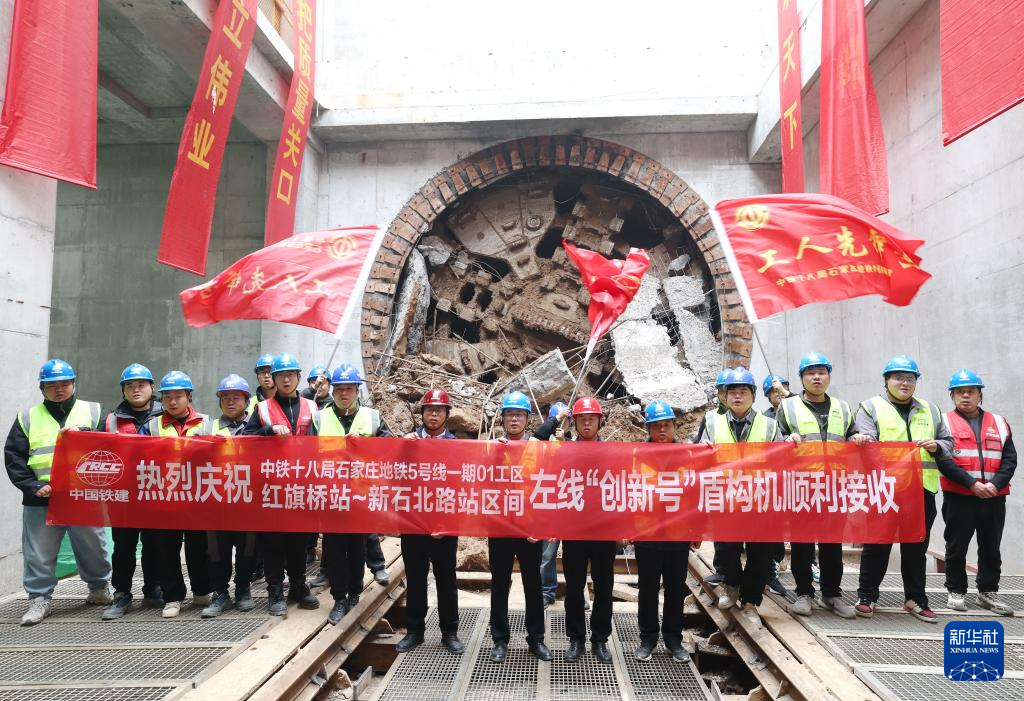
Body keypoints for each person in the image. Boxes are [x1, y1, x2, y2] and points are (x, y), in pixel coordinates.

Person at [4, 359, 112, 626]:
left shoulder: (94, 411)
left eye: (65, 383)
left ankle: (99, 587)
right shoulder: (27, 417)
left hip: (83, 497)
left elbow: (111, 446)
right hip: (41, 498)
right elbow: (14, 457)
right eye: (52, 385)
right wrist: (32, 486)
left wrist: (84, 433)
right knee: (38, 552)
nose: (59, 389)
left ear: (74, 384)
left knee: (93, 545)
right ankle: (39, 598)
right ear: (42, 388)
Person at [852, 355, 954, 623]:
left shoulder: (931, 409)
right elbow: (866, 445)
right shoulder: (870, 408)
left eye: (910, 378)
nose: (905, 383)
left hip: (921, 491)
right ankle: (867, 596)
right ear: (887, 381)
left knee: (916, 547)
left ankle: (916, 599)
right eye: (898, 377)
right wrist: (864, 442)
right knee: (877, 544)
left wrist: (937, 446)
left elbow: (948, 443)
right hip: (885, 489)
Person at [774, 353, 857, 619]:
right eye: (810, 373)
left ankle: (832, 594)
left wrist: (859, 437)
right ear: (802, 378)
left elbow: (852, 433)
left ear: (829, 377)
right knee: (802, 543)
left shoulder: (843, 408)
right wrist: (787, 439)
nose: (817, 377)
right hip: (803, 485)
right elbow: (775, 439)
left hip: (834, 486)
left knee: (832, 543)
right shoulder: (787, 407)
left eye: (821, 372)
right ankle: (804, 593)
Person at [701, 367, 783, 624]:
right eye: (733, 392)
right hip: (726, 499)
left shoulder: (769, 425)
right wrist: (702, 449)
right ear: (725, 396)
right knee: (726, 548)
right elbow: (698, 456)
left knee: (761, 553)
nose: (738, 396)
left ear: (753, 395)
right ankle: (732, 585)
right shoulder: (712, 422)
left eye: (743, 391)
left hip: (760, 499)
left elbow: (782, 459)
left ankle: (750, 602)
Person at [242, 353, 321, 616]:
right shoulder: (262, 409)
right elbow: (247, 440)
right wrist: (269, 431)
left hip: (301, 486)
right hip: (272, 488)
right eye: (280, 376)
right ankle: (275, 590)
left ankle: (298, 585)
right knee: (273, 542)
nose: (286, 380)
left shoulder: (312, 407)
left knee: (299, 541)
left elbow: (324, 443)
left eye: (290, 375)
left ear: (298, 377)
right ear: (273, 380)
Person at [316, 364, 389, 626]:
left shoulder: (372, 417)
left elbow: (388, 449)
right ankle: (339, 598)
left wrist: (366, 444)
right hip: (332, 495)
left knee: (358, 548)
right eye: (339, 389)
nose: (344, 393)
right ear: (333, 391)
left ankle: (354, 594)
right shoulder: (319, 418)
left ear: (357, 390)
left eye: (349, 388)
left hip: (361, 494)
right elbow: (305, 453)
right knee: (335, 549)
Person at [941, 369, 1016, 616]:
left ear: (980, 395)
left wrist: (995, 485)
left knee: (991, 546)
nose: (965, 396)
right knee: (957, 546)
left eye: (971, 391)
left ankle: (988, 592)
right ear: (952, 396)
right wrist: (972, 484)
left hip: (994, 496)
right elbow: (944, 461)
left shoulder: (999, 422)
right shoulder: (944, 422)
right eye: (960, 392)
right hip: (959, 496)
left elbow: (1010, 459)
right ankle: (956, 591)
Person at [396, 389, 464, 655]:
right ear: (422, 413)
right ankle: (415, 631)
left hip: (444, 527)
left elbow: (461, 487)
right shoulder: (408, 442)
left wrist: (449, 523)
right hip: (413, 524)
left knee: (446, 580)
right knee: (415, 579)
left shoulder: (457, 446)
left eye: (439, 410)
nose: (433, 414)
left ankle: (450, 632)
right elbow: (394, 477)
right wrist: (401, 448)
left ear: (447, 414)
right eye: (429, 410)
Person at [142, 371, 213, 618]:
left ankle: (202, 591)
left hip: (198, 497)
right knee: (166, 549)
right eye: (167, 397)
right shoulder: (152, 425)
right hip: (164, 497)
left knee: (199, 547)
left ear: (189, 396)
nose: (172, 401)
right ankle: (172, 597)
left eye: (178, 396)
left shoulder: (206, 423)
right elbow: (137, 456)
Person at [487, 391, 551, 663]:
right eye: (510, 415)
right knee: (499, 584)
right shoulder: (493, 447)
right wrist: (492, 452)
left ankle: (536, 639)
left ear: (527, 419)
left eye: (519, 415)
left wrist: (543, 526)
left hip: (529, 529)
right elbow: (479, 481)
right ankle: (500, 639)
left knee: (533, 585)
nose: (514, 419)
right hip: (500, 526)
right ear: (503, 418)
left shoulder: (538, 449)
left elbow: (547, 485)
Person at [102, 363, 165, 620]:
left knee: (154, 544)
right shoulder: (111, 420)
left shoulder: (166, 415)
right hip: (123, 495)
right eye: (130, 386)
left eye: (141, 384)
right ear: (123, 390)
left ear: (152, 387)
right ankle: (122, 593)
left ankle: (153, 588)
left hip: (155, 493)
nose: (136, 389)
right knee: (124, 547)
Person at [632, 400, 690, 663]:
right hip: (647, 534)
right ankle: (647, 638)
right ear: (648, 429)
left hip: (678, 534)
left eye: (666, 425)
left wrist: (696, 531)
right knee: (647, 588)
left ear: (674, 426)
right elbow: (630, 492)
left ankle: (674, 639)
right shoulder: (638, 455)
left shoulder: (688, 455)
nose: (662, 430)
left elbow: (695, 494)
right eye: (656, 426)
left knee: (676, 589)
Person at [562, 396, 616, 664]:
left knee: (604, 587)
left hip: (604, 531)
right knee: (574, 587)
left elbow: (622, 488)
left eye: (591, 419)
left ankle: (600, 639)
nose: (586, 423)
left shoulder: (612, 453)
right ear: (574, 422)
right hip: (574, 530)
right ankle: (576, 639)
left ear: (599, 422)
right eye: (581, 419)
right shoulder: (564, 452)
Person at [202, 374, 258, 618]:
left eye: (236, 397)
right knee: (217, 550)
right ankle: (220, 593)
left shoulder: (256, 427)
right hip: (217, 501)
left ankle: (243, 588)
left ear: (246, 400)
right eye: (225, 397)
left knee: (247, 549)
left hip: (247, 501)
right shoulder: (208, 427)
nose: (231, 401)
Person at [534, 401, 569, 607]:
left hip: (571, 503)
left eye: (566, 422)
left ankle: (577, 594)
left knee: (576, 555)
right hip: (550, 504)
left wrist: (564, 441)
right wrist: (556, 419)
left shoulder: (574, 442)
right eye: (559, 421)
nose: (562, 426)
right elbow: (537, 435)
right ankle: (547, 591)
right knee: (547, 553)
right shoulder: (541, 443)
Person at [700, 369, 732, 586]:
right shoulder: (711, 418)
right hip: (720, 481)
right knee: (722, 530)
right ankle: (722, 570)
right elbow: (699, 444)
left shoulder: (756, 419)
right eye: (723, 390)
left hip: (748, 483)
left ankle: (767, 573)